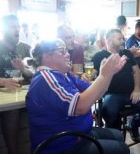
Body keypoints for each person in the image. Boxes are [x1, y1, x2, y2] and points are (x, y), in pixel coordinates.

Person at [26, 39, 129, 154]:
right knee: (122, 149)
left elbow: (97, 94)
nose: (68, 54)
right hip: (62, 146)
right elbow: (81, 107)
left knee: (118, 135)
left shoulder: (65, 75)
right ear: (46, 56)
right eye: (62, 51)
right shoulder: (45, 78)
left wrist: (109, 74)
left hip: (78, 135)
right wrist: (103, 75)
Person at [91, 29, 140, 142]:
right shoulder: (99, 56)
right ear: (108, 41)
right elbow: (93, 75)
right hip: (112, 94)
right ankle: (115, 139)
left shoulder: (126, 53)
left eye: (123, 38)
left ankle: (133, 125)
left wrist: (137, 89)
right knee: (109, 111)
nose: (123, 41)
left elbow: (136, 71)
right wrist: (91, 75)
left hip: (131, 93)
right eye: (119, 39)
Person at [0, 14, 33, 154]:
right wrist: (3, 81)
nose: (17, 30)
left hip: (19, 95)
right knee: (12, 112)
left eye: (18, 27)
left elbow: (33, 75)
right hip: (4, 99)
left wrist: (22, 69)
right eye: (13, 27)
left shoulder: (24, 49)